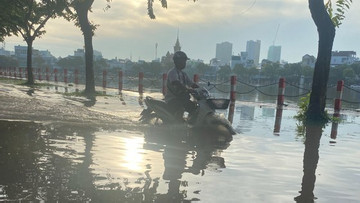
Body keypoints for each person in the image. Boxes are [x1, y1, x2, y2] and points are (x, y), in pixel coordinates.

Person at [165, 51, 199, 121]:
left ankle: (189, 121)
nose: (185, 63)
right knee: (190, 107)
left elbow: (191, 83)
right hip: (173, 99)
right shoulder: (172, 72)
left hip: (181, 98)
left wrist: (199, 88)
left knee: (194, 106)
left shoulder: (183, 74)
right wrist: (187, 89)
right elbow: (176, 83)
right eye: (183, 61)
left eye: (185, 61)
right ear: (177, 61)